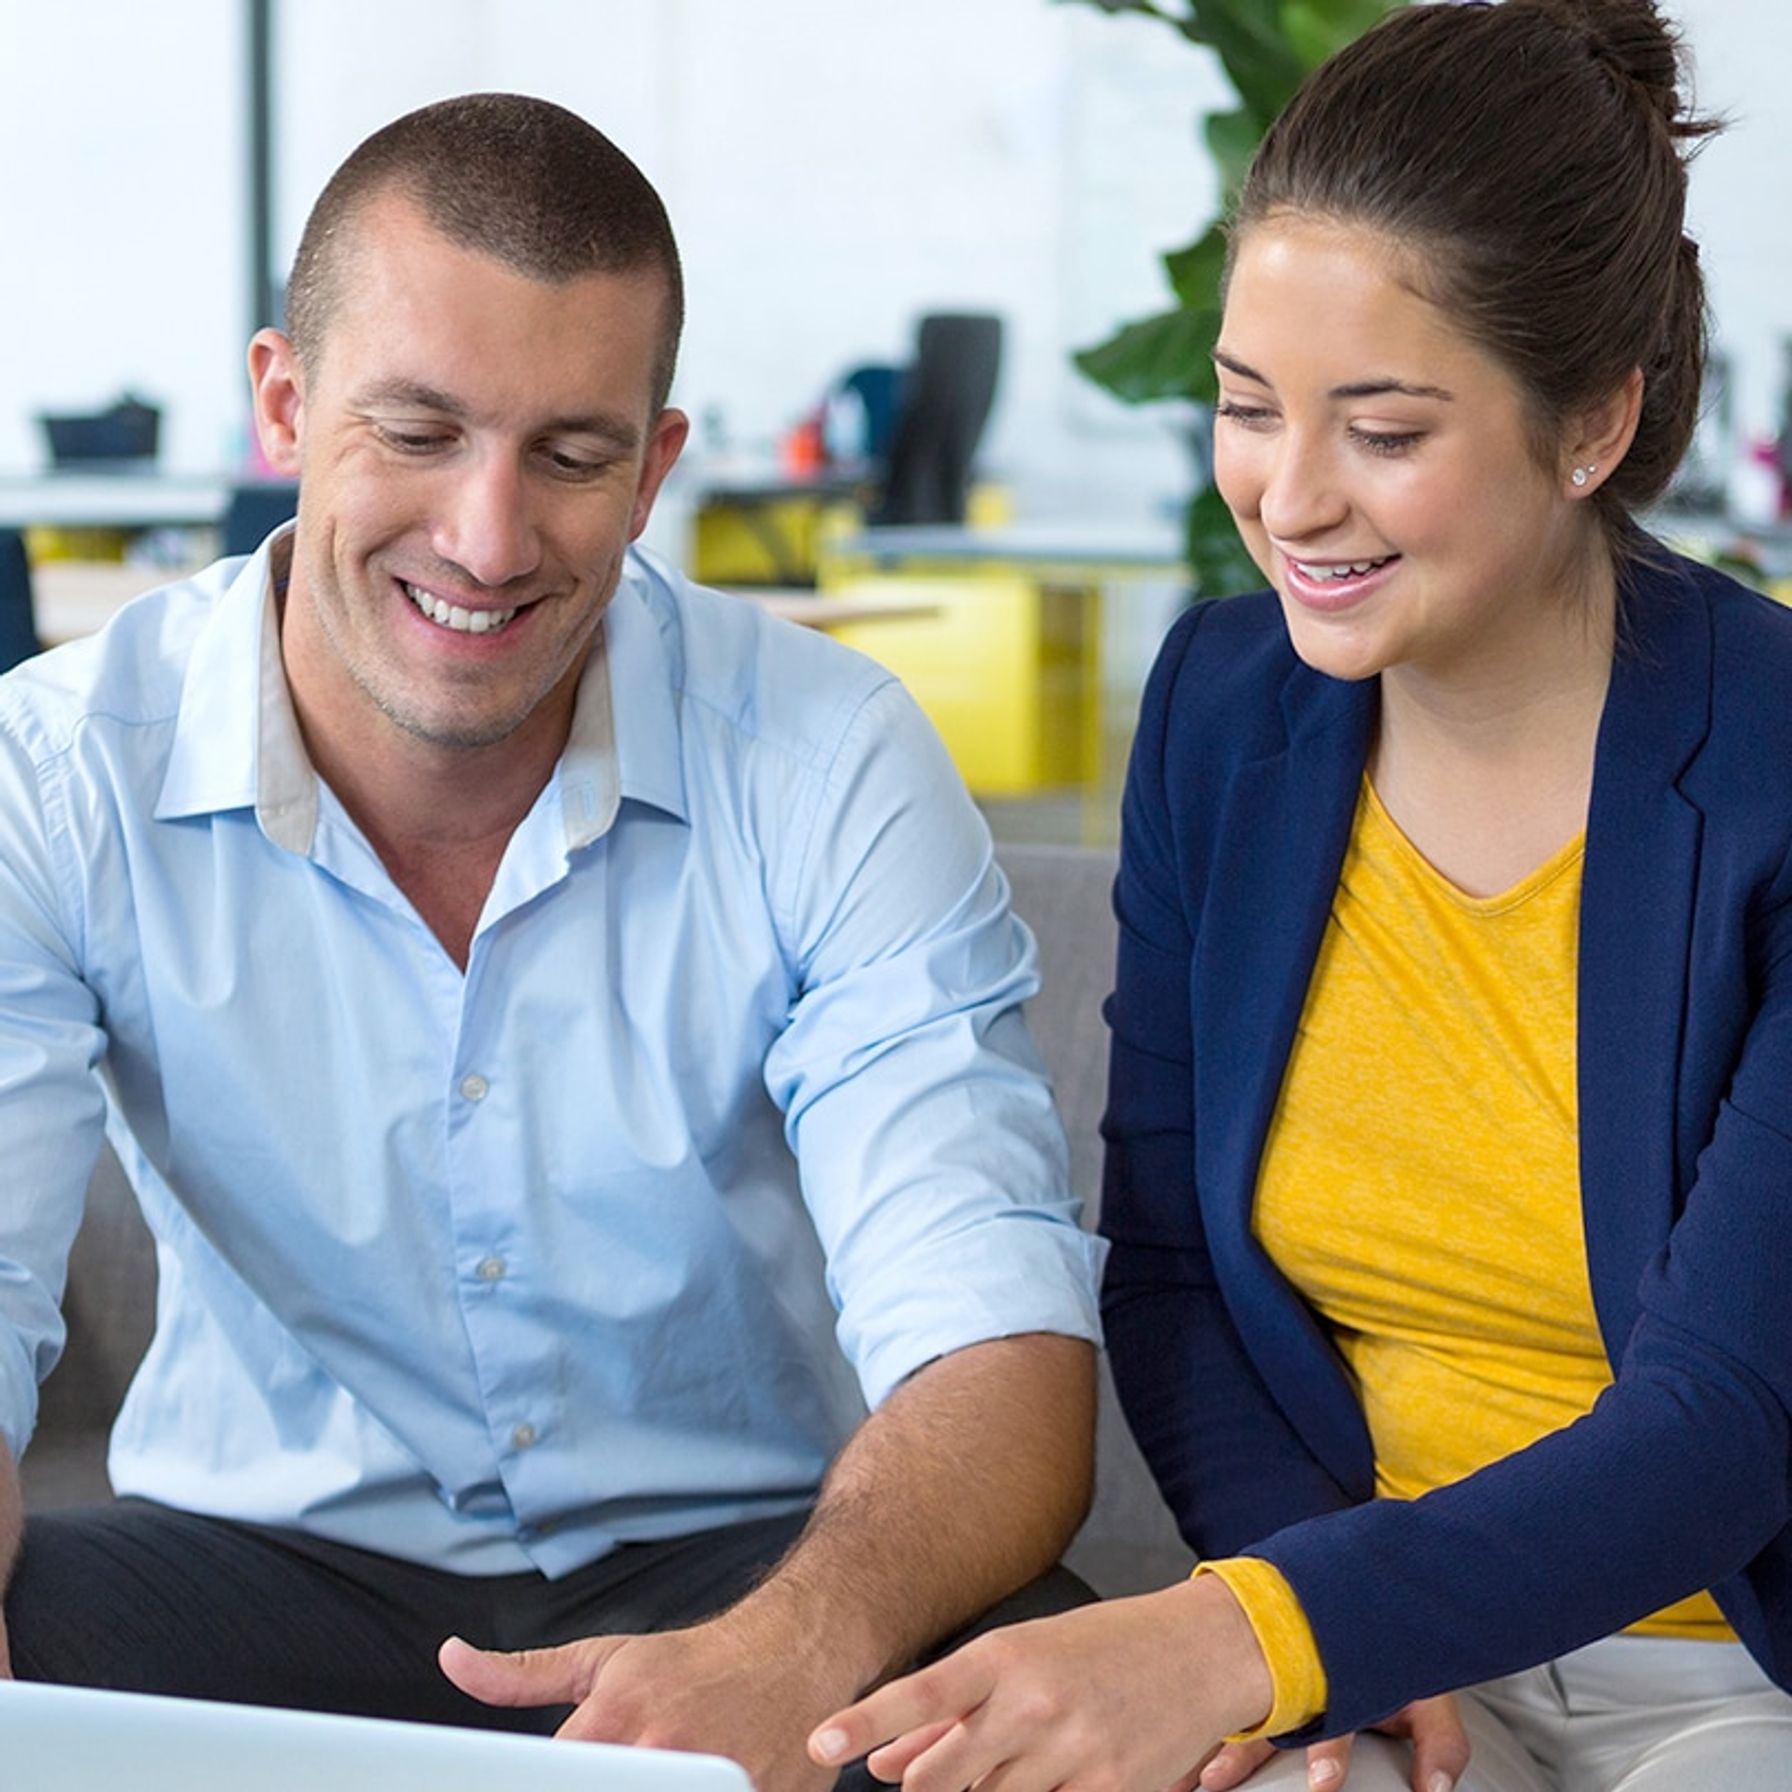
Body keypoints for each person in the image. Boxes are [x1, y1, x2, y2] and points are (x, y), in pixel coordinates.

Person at [0, 94, 1107, 1788]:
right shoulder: (61, 775)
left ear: (657, 468)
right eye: (420, 433)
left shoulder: (828, 761)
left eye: (572, 457)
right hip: (251, 1573)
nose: (489, 539)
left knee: (1026, 1695)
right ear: (285, 405)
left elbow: (1000, 1357)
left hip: (744, 1566)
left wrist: (792, 1648)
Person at [809, 4, 1792, 1789]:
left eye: (1386, 429)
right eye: (1249, 410)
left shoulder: (1777, 773)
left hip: (1733, 1670)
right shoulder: (1222, 711)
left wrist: (1246, 1634)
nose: (1293, 499)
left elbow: (1722, 1425)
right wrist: (1311, 1633)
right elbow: (1176, 1268)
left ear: (1590, 423)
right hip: (1385, 1650)